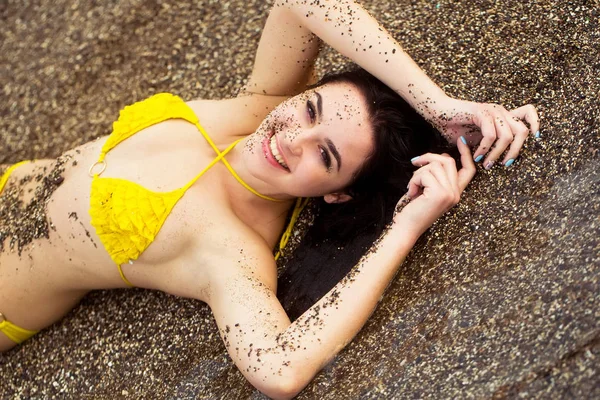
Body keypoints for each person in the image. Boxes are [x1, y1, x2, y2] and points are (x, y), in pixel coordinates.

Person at [0, 0, 539, 398]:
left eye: (324, 157)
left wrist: (407, 226)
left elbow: (279, 368)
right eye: (310, 110)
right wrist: (437, 105)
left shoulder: (230, 250)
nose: (291, 139)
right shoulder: (260, 107)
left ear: (339, 193)